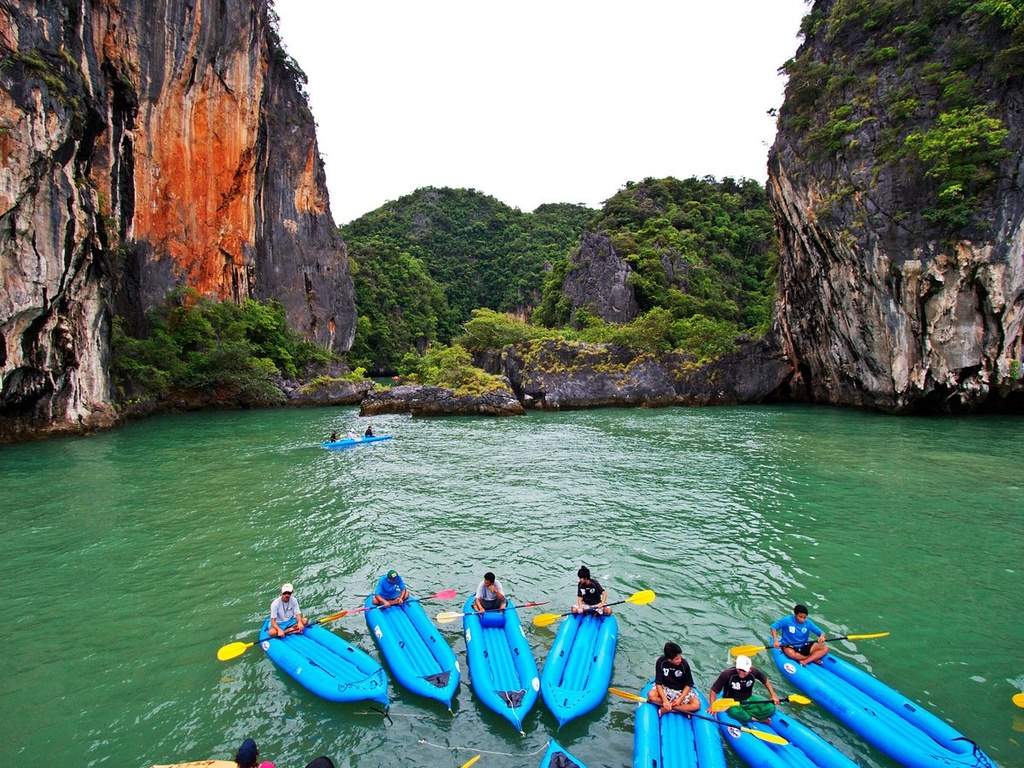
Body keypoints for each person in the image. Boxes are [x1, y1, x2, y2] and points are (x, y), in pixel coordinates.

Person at [708, 654, 779, 724]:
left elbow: (765, 680)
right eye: (739, 669)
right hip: (731, 702)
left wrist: (773, 695)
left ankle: (744, 714)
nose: (741, 672)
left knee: (771, 707)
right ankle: (756, 719)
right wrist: (712, 706)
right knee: (734, 712)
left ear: (750, 670)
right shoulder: (727, 674)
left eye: (744, 670)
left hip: (748, 699)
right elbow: (713, 690)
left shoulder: (754, 672)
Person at [647, 641, 700, 715]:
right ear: (669, 659)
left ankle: (669, 709)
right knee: (651, 695)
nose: (680, 660)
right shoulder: (661, 662)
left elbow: (689, 684)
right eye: (677, 659)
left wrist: (680, 699)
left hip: (680, 690)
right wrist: (665, 701)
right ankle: (679, 708)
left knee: (696, 704)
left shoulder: (684, 664)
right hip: (666, 688)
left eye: (680, 657)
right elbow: (658, 683)